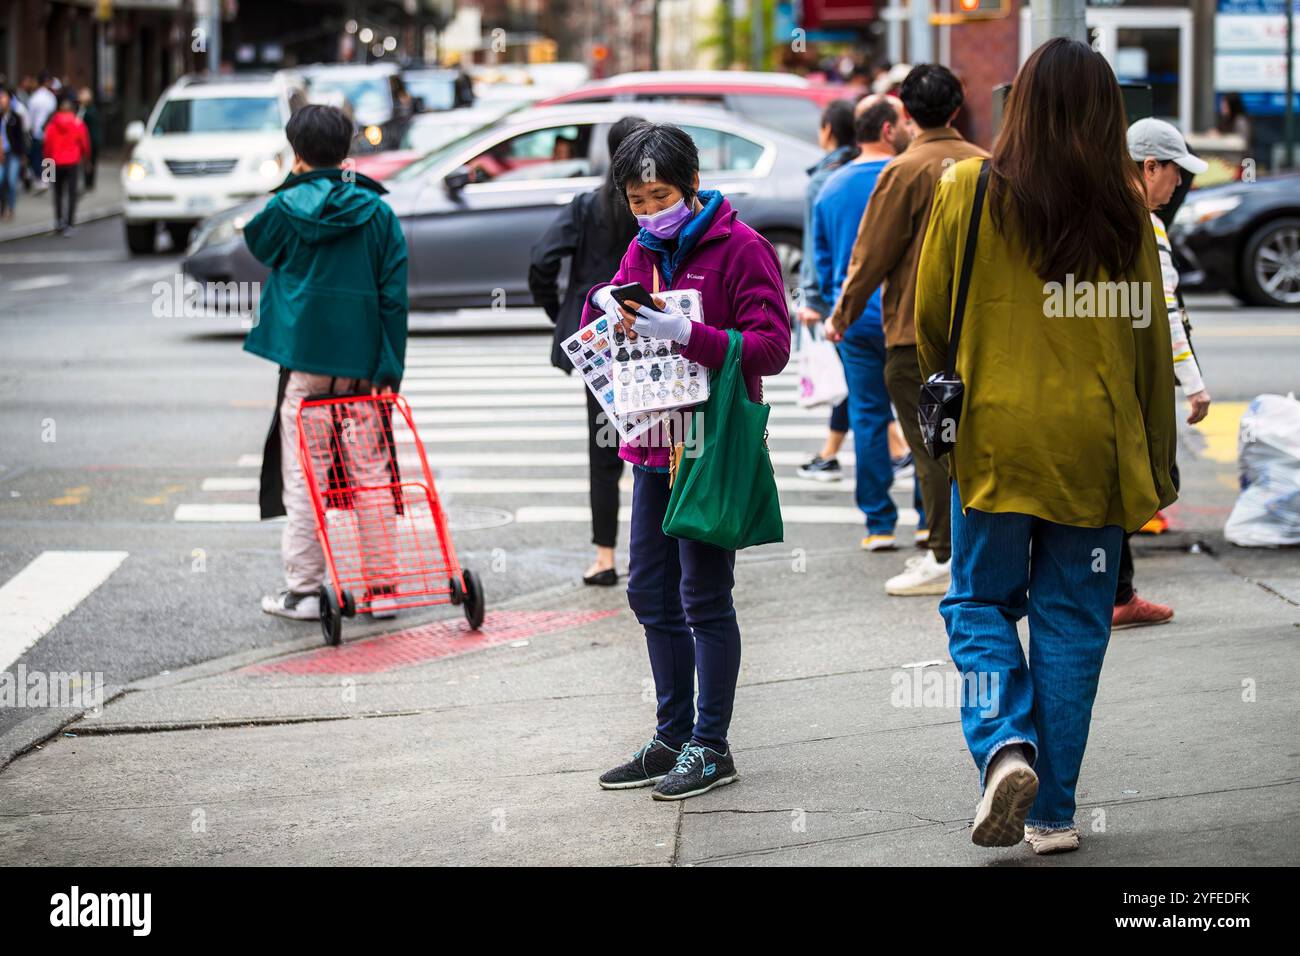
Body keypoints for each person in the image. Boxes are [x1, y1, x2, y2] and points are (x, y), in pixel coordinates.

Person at [915, 37, 1177, 855]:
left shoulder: (968, 188)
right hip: (1093, 450)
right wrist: (1157, 467)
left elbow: (931, 323)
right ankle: (1056, 813)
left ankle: (1005, 748)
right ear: (1109, 118)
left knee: (979, 601)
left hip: (997, 441)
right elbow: (1149, 350)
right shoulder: (1130, 214)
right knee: (1072, 620)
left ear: (1017, 104)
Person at [582, 123, 790, 800]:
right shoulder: (638, 253)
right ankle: (672, 735)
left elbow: (770, 348)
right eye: (635, 200)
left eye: (658, 196)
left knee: (704, 595)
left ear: (691, 187)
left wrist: (687, 333)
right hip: (651, 443)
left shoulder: (743, 248)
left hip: (712, 444)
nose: (646, 211)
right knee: (649, 591)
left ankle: (711, 744)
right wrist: (611, 315)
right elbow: (622, 310)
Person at [243, 104, 409, 622]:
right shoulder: (378, 213)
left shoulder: (284, 210)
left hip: (306, 363)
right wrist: (388, 369)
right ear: (348, 149)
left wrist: (292, 181)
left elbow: (256, 241)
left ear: (295, 153)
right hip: (362, 365)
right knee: (371, 475)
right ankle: (381, 589)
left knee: (305, 476)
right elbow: (394, 297)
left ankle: (306, 591)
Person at [826, 63, 987, 596]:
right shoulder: (990, 166)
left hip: (913, 334)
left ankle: (944, 555)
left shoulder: (902, 170)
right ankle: (979, 551)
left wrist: (843, 315)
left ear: (908, 114)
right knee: (977, 444)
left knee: (931, 447)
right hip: (984, 335)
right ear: (958, 109)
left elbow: (871, 256)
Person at [528, 115, 645, 587]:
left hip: (597, 344)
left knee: (604, 448)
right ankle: (665, 551)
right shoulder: (654, 208)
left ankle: (605, 556)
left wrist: (561, 311)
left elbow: (541, 260)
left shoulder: (586, 207)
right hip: (650, 338)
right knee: (662, 442)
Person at [1112, 118, 1213, 630]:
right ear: (1150, 167)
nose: (1177, 186)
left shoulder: (1095, 212)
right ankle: (1117, 595)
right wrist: (1194, 386)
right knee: (1135, 485)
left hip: (1096, 380)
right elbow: (1164, 312)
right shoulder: (1144, 225)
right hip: (1131, 386)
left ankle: (1112, 592)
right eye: (1175, 173)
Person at [812, 95, 915, 551]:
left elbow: (823, 260)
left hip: (852, 321)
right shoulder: (910, 179)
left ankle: (879, 524)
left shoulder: (830, 187)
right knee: (919, 418)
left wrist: (830, 309)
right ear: (889, 129)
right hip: (908, 318)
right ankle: (931, 520)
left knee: (867, 416)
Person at [796, 99, 857, 482]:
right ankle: (830, 452)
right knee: (856, 377)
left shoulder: (824, 179)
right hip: (867, 291)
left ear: (828, 131)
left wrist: (812, 298)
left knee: (854, 377)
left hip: (836, 293)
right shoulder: (865, 170)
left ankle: (896, 450)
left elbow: (814, 245)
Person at [41, 92, 90, 235]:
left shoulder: (52, 124)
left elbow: (47, 145)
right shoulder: (77, 123)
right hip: (72, 162)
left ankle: (58, 221)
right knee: (72, 193)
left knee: (57, 193)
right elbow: (85, 144)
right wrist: (86, 160)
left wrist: (46, 167)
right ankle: (69, 223)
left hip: (54, 162)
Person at [26, 72, 56, 189]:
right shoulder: (51, 97)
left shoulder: (34, 98)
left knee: (37, 155)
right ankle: (49, 179)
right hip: (50, 132)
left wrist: (32, 128)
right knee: (49, 156)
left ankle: (39, 179)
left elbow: (31, 116)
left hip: (37, 131)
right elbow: (53, 115)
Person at [0, 89, 26, 220]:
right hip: (1, 153)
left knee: (11, 181)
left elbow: (20, 137)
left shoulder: (15, 117)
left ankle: (10, 208)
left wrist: (22, 155)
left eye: (3, 98)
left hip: (13, 153)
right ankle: (2, 208)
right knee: (0, 180)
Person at [76, 87, 101, 191]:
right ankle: (88, 182)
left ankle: (89, 183)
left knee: (90, 161)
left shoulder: (89, 110)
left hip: (90, 140)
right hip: (87, 140)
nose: (79, 96)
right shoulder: (83, 109)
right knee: (88, 161)